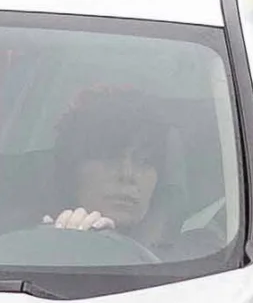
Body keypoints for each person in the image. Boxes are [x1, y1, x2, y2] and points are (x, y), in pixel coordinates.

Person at [43, 87, 177, 248]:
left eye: (144, 161)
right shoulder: (28, 250)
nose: (127, 174)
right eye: (110, 158)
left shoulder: (193, 259)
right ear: (71, 170)